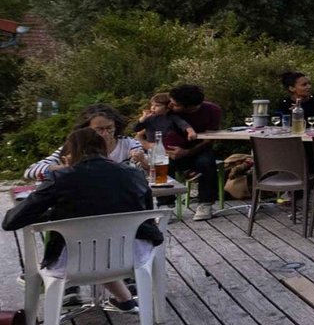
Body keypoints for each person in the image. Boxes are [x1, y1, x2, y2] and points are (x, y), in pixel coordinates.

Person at [6, 126, 162, 313]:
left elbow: (11, 221)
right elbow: (147, 213)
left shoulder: (60, 177)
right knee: (101, 243)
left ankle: (42, 285)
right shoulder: (134, 174)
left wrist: (51, 213)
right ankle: (125, 300)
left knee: (88, 246)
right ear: (104, 149)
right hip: (133, 255)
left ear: (71, 152)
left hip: (77, 263)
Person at [27, 104, 147, 181]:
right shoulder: (74, 147)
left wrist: (142, 160)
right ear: (85, 130)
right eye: (99, 129)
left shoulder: (128, 144)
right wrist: (66, 168)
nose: (105, 134)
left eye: (109, 128)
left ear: (116, 126)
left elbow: (147, 171)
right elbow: (31, 171)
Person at [167, 85, 224, 220]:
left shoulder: (212, 110)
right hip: (171, 147)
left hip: (199, 147)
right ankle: (165, 205)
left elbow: (210, 139)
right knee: (163, 164)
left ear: (190, 107)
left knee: (206, 162)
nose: (170, 105)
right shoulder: (167, 109)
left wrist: (187, 152)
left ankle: (205, 203)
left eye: (175, 105)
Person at [130, 93, 196, 153]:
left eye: (157, 105)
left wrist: (190, 131)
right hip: (150, 148)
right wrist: (142, 119)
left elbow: (183, 124)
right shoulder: (149, 118)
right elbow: (136, 129)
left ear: (167, 108)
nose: (153, 107)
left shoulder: (172, 117)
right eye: (152, 105)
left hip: (166, 147)